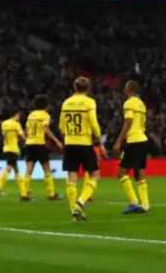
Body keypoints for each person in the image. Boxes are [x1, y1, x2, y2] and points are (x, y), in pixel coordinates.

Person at [60, 77, 107, 221]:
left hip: (69, 142)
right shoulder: (89, 102)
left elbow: (61, 127)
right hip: (84, 142)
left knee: (72, 176)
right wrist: (100, 143)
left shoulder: (66, 102)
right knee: (95, 174)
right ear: (88, 88)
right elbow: (93, 123)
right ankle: (80, 203)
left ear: (75, 88)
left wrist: (68, 137)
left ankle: (74, 213)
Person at [114, 80, 150, 214]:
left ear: (128, 88)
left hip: (134, 140)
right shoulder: (142, 104)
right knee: (139, 173)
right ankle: (145, 204)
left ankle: (134, 202)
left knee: (121, 173)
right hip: (143, 139)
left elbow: (128, 122)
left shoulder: (129, 103)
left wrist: (119, 140)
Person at [23, 95, 64, 200]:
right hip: (39, 144)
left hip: (29, 143)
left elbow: (26, 131)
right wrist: (57, 141)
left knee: (28, 170)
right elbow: (46, 129)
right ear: (46, 106)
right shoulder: (45, 115)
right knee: (47, 169)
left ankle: (24, 194)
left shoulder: (31, 115)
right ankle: (51, 194)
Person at [0, 111, 30, 200]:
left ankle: (24, 188)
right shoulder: (16, 124)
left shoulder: (4, 124)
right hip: (13, 149)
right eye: (18, 115)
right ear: (15, 115)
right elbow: (22, 136)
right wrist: (28, 141)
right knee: (8, 169)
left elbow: (11, 136)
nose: (19, 117)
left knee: (16, 170)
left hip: (6, 148)